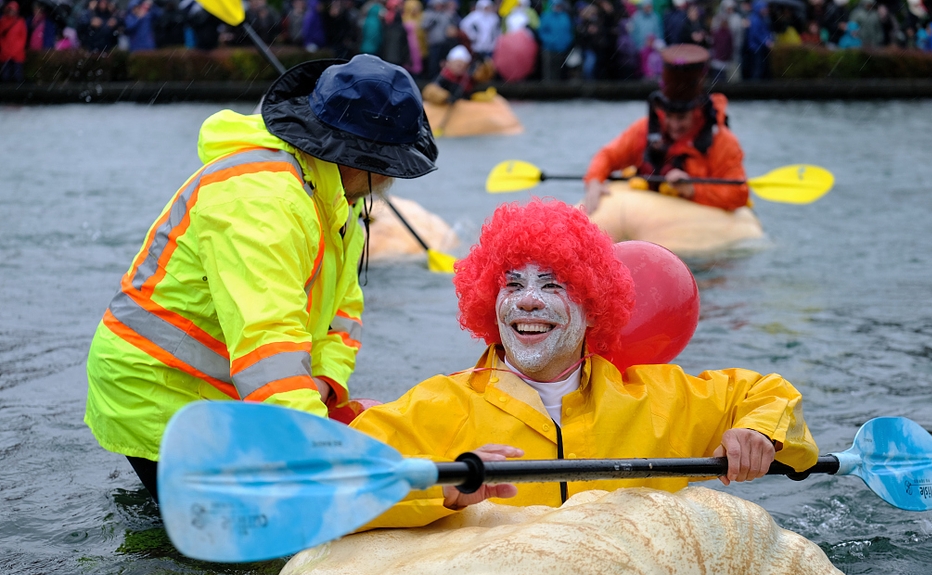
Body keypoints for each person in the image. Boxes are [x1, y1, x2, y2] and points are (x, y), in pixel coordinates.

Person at [84, 55, 438, 502]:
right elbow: (267, 341)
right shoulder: (259, 199)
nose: (391, 179)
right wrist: (316, 452)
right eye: (389, 164)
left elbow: (343, 312)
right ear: (357, 157)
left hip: (226, 384)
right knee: (215, 549)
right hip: (159, 390)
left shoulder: (336, 201)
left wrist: (325, 387)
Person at [349, 199, 819, 529]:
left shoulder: (655, 400)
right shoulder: (440, 405)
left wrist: (759, 433)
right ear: (488, 301)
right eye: (512, 285)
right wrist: (445, 488)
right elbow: (333, 484)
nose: (528, 301)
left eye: (552, 286)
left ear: (594, 306)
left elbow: (770, 397)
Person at [583, 44, 750, 214]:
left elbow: (738, 193)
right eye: (669, 116)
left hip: (696, 219)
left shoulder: (723, 141)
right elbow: (607, 155)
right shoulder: (644, 129)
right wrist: (594, 180)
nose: (674, 125)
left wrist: (692, 190)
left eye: (681, 118)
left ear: (697, 111)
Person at [0, 0, 27, 83]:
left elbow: (23, 38)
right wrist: (5, 49)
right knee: (5, 76)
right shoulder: (3, 21)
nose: (11, 11)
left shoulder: (20, 22)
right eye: (10, 9)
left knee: (17, 76)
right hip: (5, 54)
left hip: (16, 54)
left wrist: (15, 50)